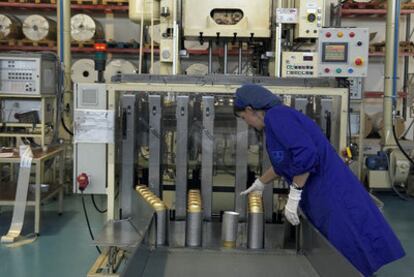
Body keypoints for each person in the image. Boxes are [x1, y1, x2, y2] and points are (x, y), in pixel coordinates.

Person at [235, 84, 405, 277]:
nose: (247, 122)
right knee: (344, 244)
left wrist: (294, 193)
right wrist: (260, 183)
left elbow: (306, 155)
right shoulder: (277, 121)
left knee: (347, 242)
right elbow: (285, 162)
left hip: (330, 191)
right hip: (320, 193)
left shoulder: (276, 117)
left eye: (243, 118)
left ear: (250, 109)